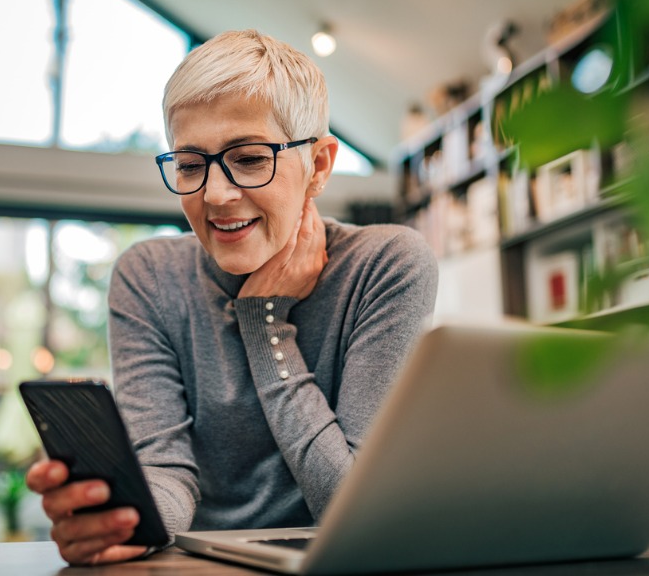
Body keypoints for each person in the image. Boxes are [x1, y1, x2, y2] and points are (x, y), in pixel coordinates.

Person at [26, 29, 438, 565]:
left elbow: (352, 506)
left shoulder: (386, 266)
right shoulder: (149, 277)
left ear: (318, 166)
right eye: (191, 165)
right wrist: (125, 517)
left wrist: (264, 322)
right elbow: (167, 473)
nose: (216, 195)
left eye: (248, 158)